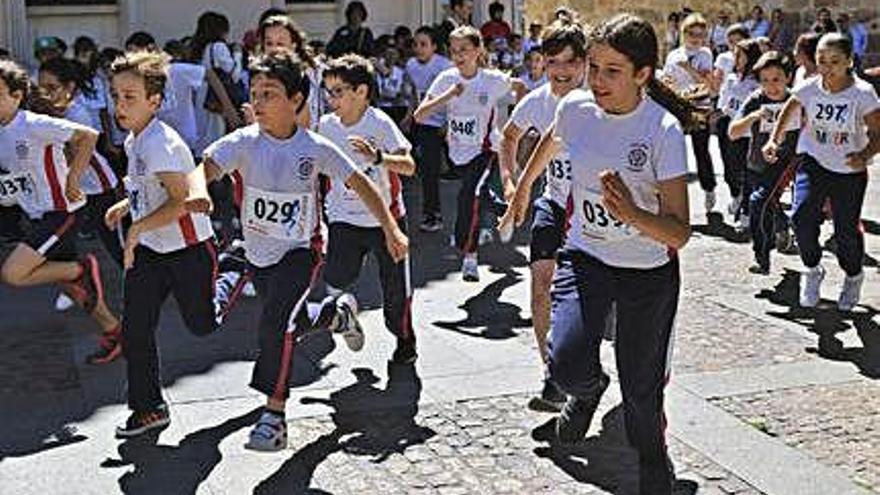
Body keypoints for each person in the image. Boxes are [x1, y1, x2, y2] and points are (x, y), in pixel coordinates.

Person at [506, 14, 693, 494]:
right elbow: (551, 144)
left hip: (646, 272)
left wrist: (631, 213)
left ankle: (653, 461)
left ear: (642, 75)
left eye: (613, 70)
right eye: (594, 67)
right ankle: (587, 393)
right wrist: (522, 191)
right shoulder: (575, 109)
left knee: (641, 387)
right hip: (585, 256)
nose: (598, 80)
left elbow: (679, 232)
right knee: (566, 363)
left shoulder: (662, 130)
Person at [196, 51, 409, 451]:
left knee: (275, 325)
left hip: (301, 250)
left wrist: (392, 229)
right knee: (291, 319)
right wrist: (194, 195)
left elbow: (363, 184)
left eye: (269, 94)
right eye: (254, 92)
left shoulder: (315, 147)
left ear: (296, 100)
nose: (257, 102)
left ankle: (273, 417)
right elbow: (201, 170)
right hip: (259, 252)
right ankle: (335, 313)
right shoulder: (242, 141)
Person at [106, 50, 244, 437]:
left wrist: (136, 228)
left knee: (202, 324)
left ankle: (236, 267)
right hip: (152, 251)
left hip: (188, 250)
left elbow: (182, 201)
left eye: (130, 96)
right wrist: (125, 206)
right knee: (136, 328)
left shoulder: (160, 144)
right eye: (116, 95)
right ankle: (148, 408)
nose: (120, 104)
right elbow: (150, 191)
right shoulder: (136, 140)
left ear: (155, 101)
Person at [0, 59, 122, 365]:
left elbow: (87, 136)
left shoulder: (33, 123)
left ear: (17, 95)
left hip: (61, 213)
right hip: (37, 215)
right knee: (77, 290)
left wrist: (72, 180)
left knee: (13, 273)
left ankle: (79, 268)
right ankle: (114, 332)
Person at [497, 20, 587, 412]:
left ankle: (577, 363)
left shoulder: (595, 99)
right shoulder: (537, 100)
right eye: (553, 62)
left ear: (584, 63)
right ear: (542, 63)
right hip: (553, 201)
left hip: (591, 210)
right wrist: (509, 177)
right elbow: (509, 137)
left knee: (585, 297)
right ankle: (552, 375)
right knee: (540, 284)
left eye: (570, 62)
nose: (562, 70)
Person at [763, 33, 880, 310]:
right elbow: (791, 107)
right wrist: (773, 140)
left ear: (849, 61)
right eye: (821, 61)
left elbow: (878, 132)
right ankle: (812, 270)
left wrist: (864, 155)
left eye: (834, 61)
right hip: (814, 162)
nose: (826, 68)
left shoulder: (862, 93)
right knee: (802, 216)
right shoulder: (809, 87)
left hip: (849, 171)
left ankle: (853, 276)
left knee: (845, 232)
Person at [319, 53, 418, 366]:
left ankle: (405, 340)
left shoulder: (379, 122)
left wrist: (379, 158)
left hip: (384, 220)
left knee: (395, 293)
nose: (330, 98)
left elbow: (409, 166)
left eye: (338, 91)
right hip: (342, 219)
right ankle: (347, 312)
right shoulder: (326, 125)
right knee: (336, 278)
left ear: (361, 91)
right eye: (328, 91)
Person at [413, 26, 525, 282]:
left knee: (469, 195)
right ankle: (503, 211)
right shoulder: (446, 79)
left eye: (464, 49)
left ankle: (469, 257)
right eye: (453, 51)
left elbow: (519, 87)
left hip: (486, 150)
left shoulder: (491, 80)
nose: (458, 55)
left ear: (478, 51)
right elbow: (420, 115)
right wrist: (449, 95)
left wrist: (518, 125)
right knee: (478, 195)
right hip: (457, 152)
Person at [728, 50, 800, 274]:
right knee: (767, 204)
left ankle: (762, 256)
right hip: (757, 162)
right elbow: (733, 132)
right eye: (765, 80)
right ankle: (781, 228)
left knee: (758, 201)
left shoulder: (796, 99)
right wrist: (753, 117)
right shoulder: (756, 99)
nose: (771, 86)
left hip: (786, 162)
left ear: (788, 77)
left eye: (776, 79)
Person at [663, 13, 716, 212]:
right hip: (677, 106)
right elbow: (668, 81)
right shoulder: (673, 55)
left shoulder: (705, 54)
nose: (697, 38)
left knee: (701, 150)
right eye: (693, 33)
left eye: (701, 34)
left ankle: (709, 188)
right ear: (684, 33)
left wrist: (689, 68)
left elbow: (707, 83)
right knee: (672, 151)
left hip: (699, 107)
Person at [405, 26, 452, 233]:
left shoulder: (445, 66)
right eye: (415, 44)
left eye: (424, 44)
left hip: (449, 122)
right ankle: (432, 214)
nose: (419, 48)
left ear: (434, 47)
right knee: (429, 171)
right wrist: (410, 116)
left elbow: (456, 97)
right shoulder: (411, 65)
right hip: (426, 123)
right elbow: (414, 94)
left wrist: (449, 123)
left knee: (465, 170)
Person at [715, 39, 763, 229]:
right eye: (735, 54)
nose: (736, 58)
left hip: (748, 131)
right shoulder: (732, 77)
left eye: (740, 54)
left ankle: (746, 211)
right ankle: (736, 194)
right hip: (728, 125)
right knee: (730, 168)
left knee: (747, 170)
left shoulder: (757, 82)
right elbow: (724, 101)